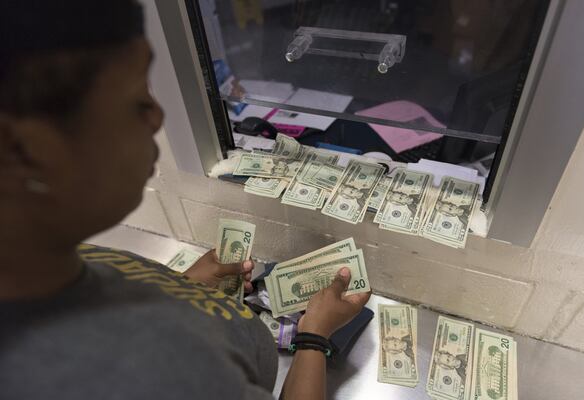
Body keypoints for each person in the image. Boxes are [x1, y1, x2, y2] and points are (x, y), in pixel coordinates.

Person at [0, 1, 370, 399]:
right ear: (23, 149)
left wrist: (181, 288)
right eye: (135, 100)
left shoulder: (37, 261)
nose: (158, 117)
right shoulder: (155, 378)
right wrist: (314, 336)